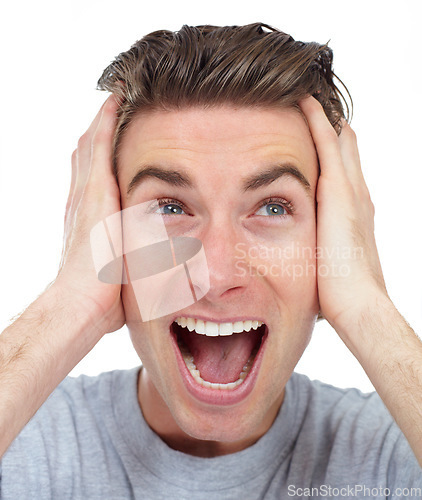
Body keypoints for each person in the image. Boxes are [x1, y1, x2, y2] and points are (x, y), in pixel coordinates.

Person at [0, 22, 421, 499]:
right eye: (169, 208)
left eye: (273, 207)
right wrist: (71, 300)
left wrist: (367, 307)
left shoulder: (391, 454)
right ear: (111, 231)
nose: (216, 276)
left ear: (329, 236)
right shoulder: (26, 442)